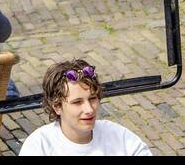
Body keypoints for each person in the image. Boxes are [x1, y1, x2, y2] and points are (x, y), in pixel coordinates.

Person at [19, 61, 152, 156]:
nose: (89, 109)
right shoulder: (39, 146)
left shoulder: (119, 136)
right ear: (57, 107)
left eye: (92, 99)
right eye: (77, 102)